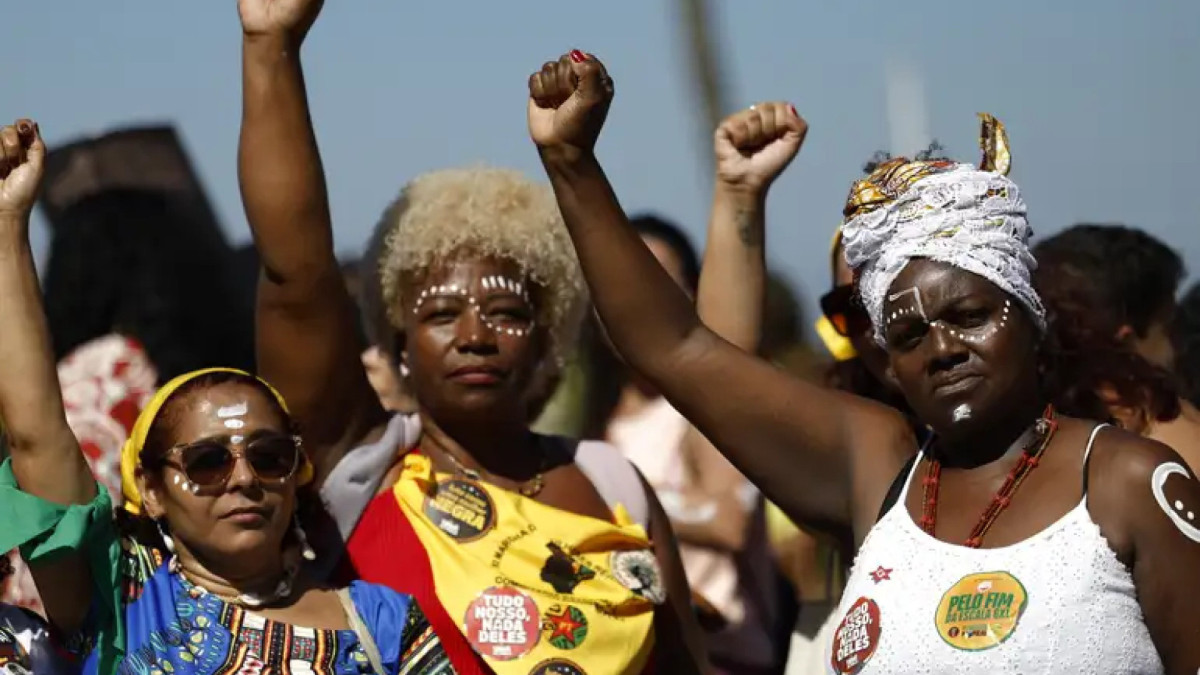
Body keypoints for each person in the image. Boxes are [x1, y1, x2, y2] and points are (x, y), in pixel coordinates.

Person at [529, 51, 1200, 672]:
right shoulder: (881, 470)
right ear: (885, 362)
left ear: (1032, 316)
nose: (941, 348)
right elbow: (677, 348)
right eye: (908, 335)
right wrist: (571, 162)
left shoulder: (1125, 480)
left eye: (970, 315)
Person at [235, 3, 706, 673]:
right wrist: (270, 47)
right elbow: (295, 272)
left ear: (549, 337)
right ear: (397, 340)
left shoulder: (612, 481)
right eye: (439, 312)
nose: (475, 335)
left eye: (506, 311)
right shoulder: (361, 468)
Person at [0, 119, 451, 674]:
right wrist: (7, 226)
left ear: (299, 471)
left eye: (269, 457)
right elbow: (37, 436)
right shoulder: (119, 596)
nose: (244, 479)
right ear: (151, 489)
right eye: (207, 461)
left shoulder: (382, 623)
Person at [604, 102, 806, 675]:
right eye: (615, 285)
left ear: (693, 292)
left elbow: (729, 523)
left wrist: (613, 508)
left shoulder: (699, 414)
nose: (633, 303)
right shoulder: (585, 428)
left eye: (656, 283)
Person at [1033, 224, 1200, 471]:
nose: (1177, 347)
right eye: (1168, 326)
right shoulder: (1167, 426)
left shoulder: (998, 423)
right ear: (1127, 338)